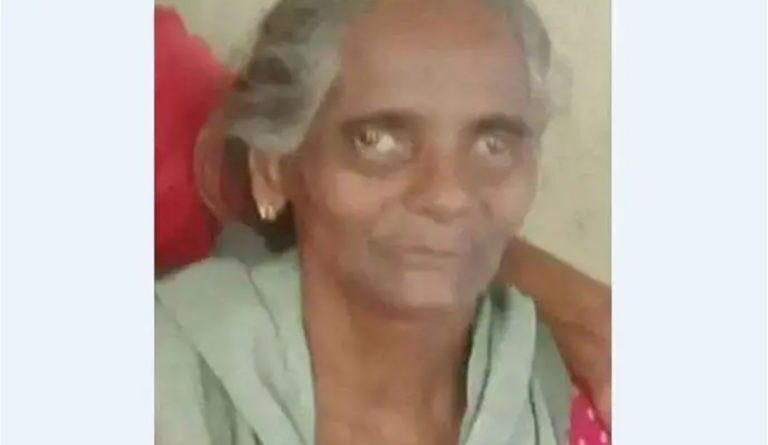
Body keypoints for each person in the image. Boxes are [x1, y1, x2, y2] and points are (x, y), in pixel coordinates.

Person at [155, 1, 610, 444]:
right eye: (376, 141)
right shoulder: (163, 387)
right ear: (274, 169)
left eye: (493, 144)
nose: (447, 195)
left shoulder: (579, 399)